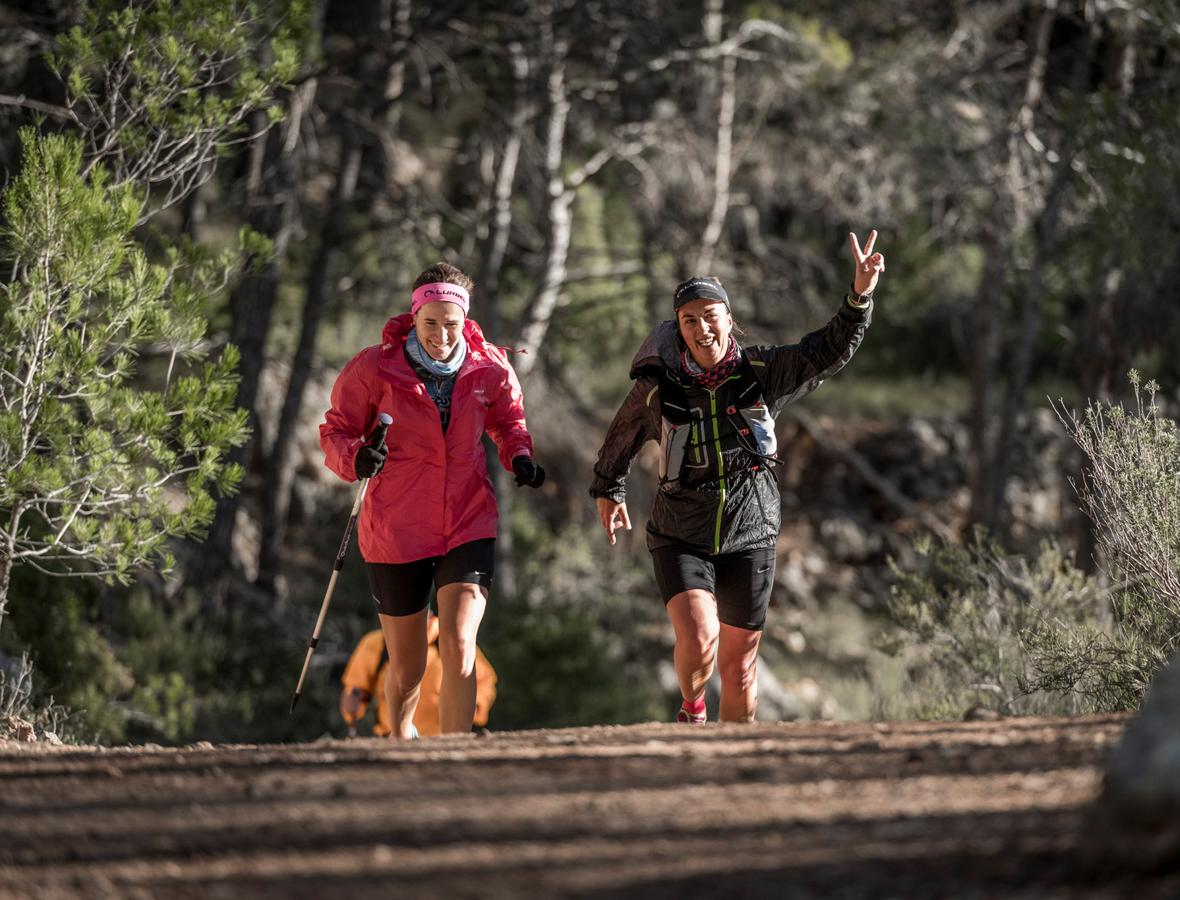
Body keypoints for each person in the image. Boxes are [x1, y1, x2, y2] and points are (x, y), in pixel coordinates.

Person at [590, 230, 884, 723]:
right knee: (700, 636)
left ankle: (731, 770)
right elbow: (621, 436)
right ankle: (692, 707)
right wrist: (608, 488)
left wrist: (859, 296)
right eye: (689, 320)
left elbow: (828, 350)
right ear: (678, 327)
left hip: (752, 529)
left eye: (711, 316)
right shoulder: (657, 386)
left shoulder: (761, 371)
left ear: (729, 319)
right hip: (681, 529)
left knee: (741, 668)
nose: (702, 328)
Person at [320, 262, 544, 739]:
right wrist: (355, 458)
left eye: (452, 324)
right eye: (431, 323)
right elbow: (336, 430)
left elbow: (508, 421)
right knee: (407, 669)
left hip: (467, 520)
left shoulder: (487, 367)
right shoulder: (374, 368)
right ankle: (400, 741)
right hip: (396, 532)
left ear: (466, 320)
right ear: (415, 315)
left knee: (461, 643)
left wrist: (519, 456)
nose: (442, 335)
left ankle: (456, 756)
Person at [340, 611, 499, 736]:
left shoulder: (453, 643)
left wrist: (476, 704)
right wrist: (353, 705)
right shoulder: (377, 643)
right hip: (392, 737)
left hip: (441, 739)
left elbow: (485, 680)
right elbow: (356, 687)